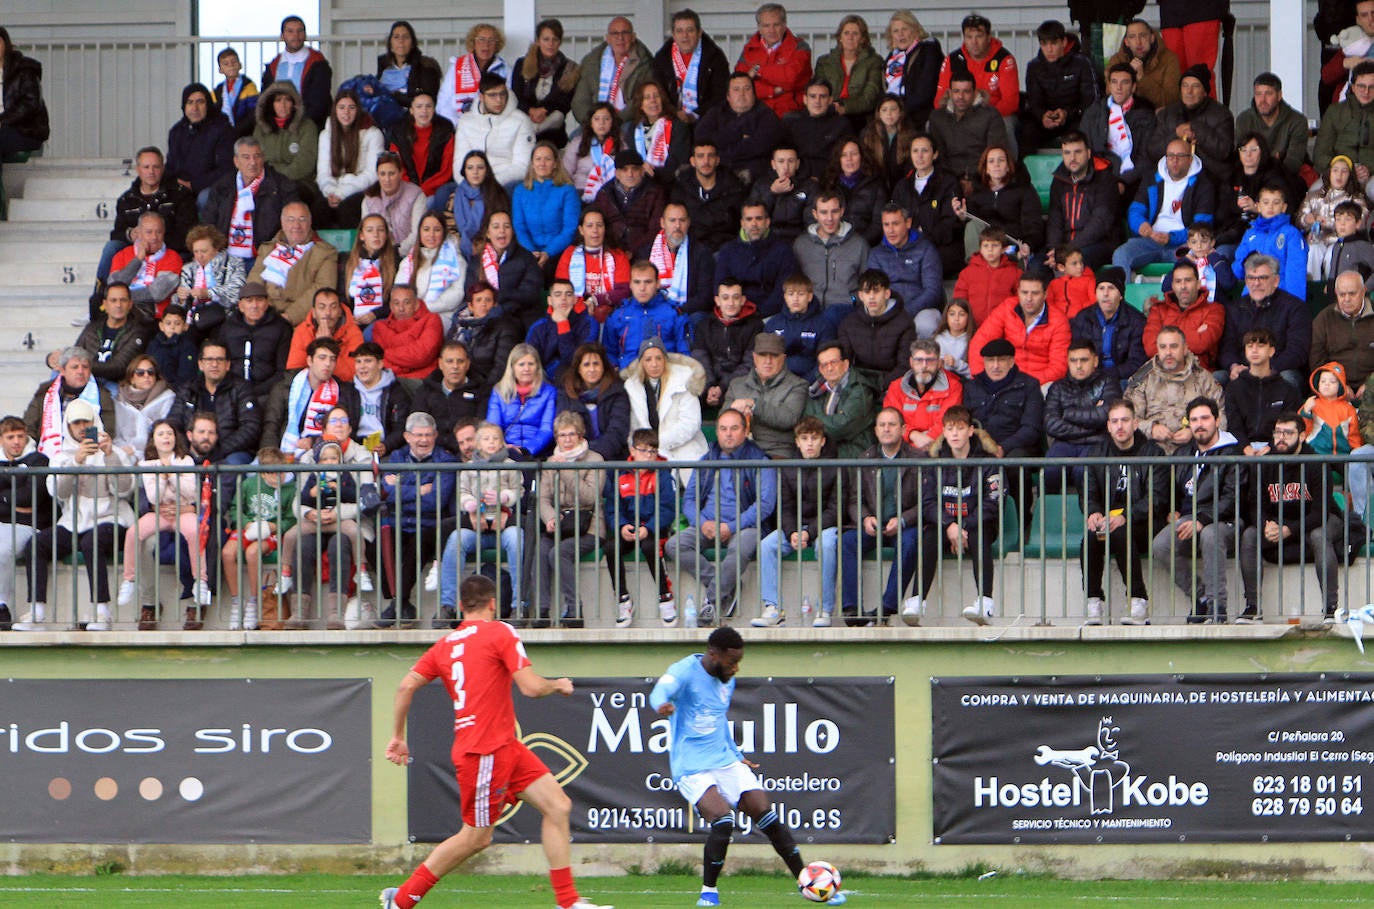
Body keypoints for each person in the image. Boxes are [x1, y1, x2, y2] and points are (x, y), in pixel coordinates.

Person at [379, 573, 611, 909]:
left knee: (558, 806)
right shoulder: (499, 630)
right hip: (484, 750)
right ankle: (401, 899)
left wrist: (398, 736)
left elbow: (405, 686)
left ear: (460, 606)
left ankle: (568, 901)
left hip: (503, 746)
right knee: (476, 837)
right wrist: (558, 684)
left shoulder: (445, 645)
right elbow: (530, 687)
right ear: (493, 603)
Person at [649, 626, 840, 908]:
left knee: (766, 814)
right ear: (713, 655)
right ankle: (708, 891)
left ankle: (806, 883)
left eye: (739, 661)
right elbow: (660, 690)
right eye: (731, 661)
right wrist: (661, 705)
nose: (736, 667)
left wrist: (736, 753)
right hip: (691, 766)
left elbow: (718, 718)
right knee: (723, 820)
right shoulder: (685, 671)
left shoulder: (726, 679)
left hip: (725, 760)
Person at [16, 400, 134, 632]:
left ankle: (102, 611)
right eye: (76, 422)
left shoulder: (114, 452)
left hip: (111, 520)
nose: (81, 427)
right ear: (68, 426)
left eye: (86, 422)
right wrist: (76, 461)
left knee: (92, 542)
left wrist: (110, 456)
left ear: (94, 422)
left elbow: (125, 490)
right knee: (36, 545)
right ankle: (37, 610)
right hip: (73, 523)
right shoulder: (61, 457)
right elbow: (58, 492)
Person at [666, 408, 775, 624]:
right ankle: (727, 585)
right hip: (707, 524)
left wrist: (732, 527)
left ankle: (712, 601)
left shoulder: (760, 460)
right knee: (674, 545)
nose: (729, 434)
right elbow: (689, 500)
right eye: (723, 429)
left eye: (734, 428)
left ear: (745, 431)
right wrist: (701, 522)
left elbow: (765, 504)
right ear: (716, 432)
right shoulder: (706, 461)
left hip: (745, 526)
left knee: (740, 549)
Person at [1240, 412, 1350, 624]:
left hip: (1319, 521)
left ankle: (1330, 608)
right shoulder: (1264, 463)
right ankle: (1253, 607)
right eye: (1277, 432)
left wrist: (1289, 529)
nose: (1281, 438)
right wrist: (1266, 525)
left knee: (1319, 535)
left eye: (1288, 433)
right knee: (1250, 535)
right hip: (1280, 523)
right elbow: (1255, 505)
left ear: (1301, 436)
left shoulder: (1316, 462)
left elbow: (1321, 512)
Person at [1151, 396, 1242, 623]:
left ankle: (1217, 606)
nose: (1200, 424)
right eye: (1194, 420)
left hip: (1229, 518)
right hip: (1192, 518)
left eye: (1205, 418)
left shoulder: (1233, 452)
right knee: (1161, 545)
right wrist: (1173, 510)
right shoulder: (1184, 453)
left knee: (1211, 535)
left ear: (1217, 420)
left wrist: (1202, 519)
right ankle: (1201, 598)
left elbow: (1233, 497)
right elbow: (1172, 488)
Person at [1079, 397, 1169, 626]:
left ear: (1135, 423)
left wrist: (1125, 516)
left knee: (1120, 531)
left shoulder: (1153, 453)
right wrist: (1093, 512)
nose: (1120, 426)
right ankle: (1093, 601)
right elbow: (1088, 492)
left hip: (1145, 523)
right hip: (1110, 522)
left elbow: (1156, 499)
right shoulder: (1097, 453)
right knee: (1091, 536)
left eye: (1125, 420)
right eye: (1114, 421)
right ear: (1108, 425)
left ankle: (1139, 600)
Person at [839, 406, 927, 626]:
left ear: (903, 429)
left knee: (910, 542)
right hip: (875, 525)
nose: (887, 429)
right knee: (848, 542)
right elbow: (854, 500)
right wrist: (865, 518)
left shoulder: (918, 458)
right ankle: (851, 609)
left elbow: (927, 501)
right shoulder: (865, 458)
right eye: (882, 425)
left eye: (892, 424)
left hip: (905, 525)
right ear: (876, 430)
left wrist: (904, 519)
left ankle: (887, 607)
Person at [920, 405, 1005, 626]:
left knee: (979, 536)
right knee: (929, 537)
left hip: (979, 524)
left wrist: (964, 526)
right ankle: (917, 600)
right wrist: (950, 525)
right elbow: (927, 502)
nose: (955, 434)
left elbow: (993, 502)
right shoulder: (934, 462)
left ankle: (985, 603)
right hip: (945, 524)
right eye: (950, 429)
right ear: (944, 432)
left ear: (970, 431)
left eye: (960, 428)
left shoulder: (987, 461)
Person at [437, 420, 527, 626]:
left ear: (502, 443)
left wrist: (504, 498)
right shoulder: (468, 468)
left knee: (516, 538)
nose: (491, 442)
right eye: (486, 439)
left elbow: (519, 491)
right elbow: (462, 492)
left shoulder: (511, 466)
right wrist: (469, 504)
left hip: (504, 523)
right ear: (478, 444)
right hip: (476, 525)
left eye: (495, 439)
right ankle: (448, 605)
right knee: (456, 539)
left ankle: (518, 605)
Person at [753, 416, 840, 627]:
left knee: (828, 544)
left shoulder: (836, 467)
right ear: (797, 442)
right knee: (766, 545)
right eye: (804, 438)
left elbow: (835, 509)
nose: (809, 443)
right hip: (795, 528)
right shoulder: (788, 467)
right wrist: (792, 531)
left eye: (814, 438)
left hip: (824, 527)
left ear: (823, 441)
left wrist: (809, 532)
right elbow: (785, 507)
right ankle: (772, 608)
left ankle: (825, 609)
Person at [117, 419, 209, 614]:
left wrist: (170, 474)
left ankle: (200, 581)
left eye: (169, 433)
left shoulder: (186, 461)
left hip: (182, 510)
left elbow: (190, 492)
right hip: (160, 512)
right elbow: (153, 496)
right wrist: (163, 474)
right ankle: (129, 579)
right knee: (134, 533)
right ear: (153, 440)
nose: (166, 437)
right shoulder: (146, 464)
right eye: (161, 434)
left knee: (194, 532)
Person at [378, 412, 457, 628]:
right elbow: (387, 495)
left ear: (435, 436)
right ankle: (403, 607)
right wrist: (419, 490)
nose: (423, 440)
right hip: (399, 522)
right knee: (378, 546)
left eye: (428, 435)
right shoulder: (396, 458)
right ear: (407, 436)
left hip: (431, 525)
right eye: (418, 435)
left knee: (417, 546)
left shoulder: (446, 461)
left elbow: (435, 502)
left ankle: (397, 605)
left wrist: (402, 489)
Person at [535, 412, 604, 627]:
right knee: (541, 548)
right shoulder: (550, 462)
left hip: (589, 527)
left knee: (559, 552)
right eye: (562, 435)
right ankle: (542, 610)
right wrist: (550, 517)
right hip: (562, 524)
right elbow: (543, 498)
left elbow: (589, 496)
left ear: (580, 435)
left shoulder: (595, 460)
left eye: (571, 434)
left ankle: (574, 610)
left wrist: (564, 469)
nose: (567, 440)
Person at [604, 427, 677, 627]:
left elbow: (667, 508)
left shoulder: (662, 473)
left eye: (653, 451)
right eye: (644, 450)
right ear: (633, 450)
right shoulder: (620, 474)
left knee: (649, 547)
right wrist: (621, 526)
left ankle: (665, 596)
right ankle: (623, 599)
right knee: (611, 547)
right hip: (630, 527)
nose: (648, 455)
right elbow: (612, 507)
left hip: (654, 528)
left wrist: (651, 527)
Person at [1112, 138, 1216, 278]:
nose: (1174, 160)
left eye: (1180, 156)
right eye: (1170, 156)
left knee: (1199, 262)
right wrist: (1141, 225)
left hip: (1185, 245)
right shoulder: (1152, 179)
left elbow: (1203, 226)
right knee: (1121, 254)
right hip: (1150, 240)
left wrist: (1171, 238)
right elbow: (1135, 209)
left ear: (1190, 159)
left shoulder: (1203, 185)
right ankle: (1121, 298)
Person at [98, 146, 197, 285]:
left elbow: (187, 232)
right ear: (138, 169)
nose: (151, 171)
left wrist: (154, 240)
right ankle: (102, 293)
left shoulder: (180, 194)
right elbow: (117, 233)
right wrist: (131, 234)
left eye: (156, 167)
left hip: (170, 249)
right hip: (136, 250)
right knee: (111, 247)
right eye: (146, 167)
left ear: (163, 168)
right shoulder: (126, 199)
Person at [221, 446, 295, 631]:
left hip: (271, 533)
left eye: (282, 472)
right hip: (250, 528)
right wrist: (245, 523)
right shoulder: (248, 485)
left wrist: (276, 526)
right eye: (272, 474)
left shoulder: (290, 488)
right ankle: (237, 602)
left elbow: (292, 517)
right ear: (262, 474)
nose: (278, 478)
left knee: (253, 553)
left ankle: (254, 603)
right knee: (228, 553)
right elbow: (236, 508)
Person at [1124, 324, 1227, 454]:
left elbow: (1220, 419)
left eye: (1174, 346)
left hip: (1195, 454)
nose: (1168, 353)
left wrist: (1194, 431)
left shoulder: (1204, 379)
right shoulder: (1143, 378)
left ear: (1185, 349)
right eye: (1163, 347)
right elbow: (1125, 419)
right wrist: (1151, 429)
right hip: (1150, 455)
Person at [621, 337, 709, 482]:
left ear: (665, 360)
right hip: (648, 451)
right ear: (641, 362)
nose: (654, 364)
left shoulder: (684, 380)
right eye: (648, 359)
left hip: (686, 446)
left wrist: (659, 442)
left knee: (695, 484)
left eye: (658, 358)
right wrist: (648, 448)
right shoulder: (632, 387)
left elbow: (690, 423)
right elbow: (633, 428)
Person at [1220, 254, 1312, 387]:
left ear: (1276, 280)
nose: (1256, 283)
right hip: (1243, 370)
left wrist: (1263, 369)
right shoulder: (1235, 308)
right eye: (1251, 278)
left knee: (1288, 378)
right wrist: (1234, 366)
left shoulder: (1295, 307)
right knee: (1217, 378)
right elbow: (1227, 347)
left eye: (1262, 278)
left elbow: (1297, 352)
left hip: (1278, 370)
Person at [969, 271, 1072, 386]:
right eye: (1024, 292)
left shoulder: (1059, 320)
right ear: (1018, 292)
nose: (1029, 298)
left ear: (1045, 294)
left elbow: (1058, 368)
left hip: (1040, 383)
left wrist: (1024, 384)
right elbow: (979, 343)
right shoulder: (1007, 308)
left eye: (1035, 293)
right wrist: (982, 377)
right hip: (1004, 377)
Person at [168, 339, 262, 464]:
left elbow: (251, 427)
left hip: (231, 452)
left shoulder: (241, 388)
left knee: (233, 465)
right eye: (209, 360)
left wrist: (220, 450)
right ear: (201, 364)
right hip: (193, 450)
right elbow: (174, 422)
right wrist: (191, 448)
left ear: (227, 365)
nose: (214, 364)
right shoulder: (188, 389)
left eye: (220, 360)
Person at [1044, 339, 1120, 491]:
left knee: (1084, 472)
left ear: (1095, 360)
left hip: (1097, 443)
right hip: (1065, 443)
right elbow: (1051, 424)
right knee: (1050, 470)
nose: (1078, 365)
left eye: (1084, 360)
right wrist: (1093, 422)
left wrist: (1068, 414)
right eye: (1073, 360)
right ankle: (1049, 513)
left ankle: (1090, 513)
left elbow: (1106, 416)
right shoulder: (1057, 388)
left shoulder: (1108, 383)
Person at [246, 200, 338, 326]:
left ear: (310, 222)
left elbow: (322, 289)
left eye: (302, 219)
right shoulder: (268, 249)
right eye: (290, 219)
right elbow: (254, 283)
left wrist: (288, 317)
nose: (296, 225)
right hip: (264, 316)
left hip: (301, 321)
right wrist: (259, 311)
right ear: (282, 223)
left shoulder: (325, 253)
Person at [0, 416, 52, 631]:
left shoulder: (38, 460)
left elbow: (29, 497)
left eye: (20, 436)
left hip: (28, 526)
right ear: (1, 439)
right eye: (10, 437)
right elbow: (19, 499)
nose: (16, 442)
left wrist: (3, 497)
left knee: (3, 549)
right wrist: (12, 501)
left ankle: (2, 607)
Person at [723, 332, 808, 458]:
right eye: (763, 355)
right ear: (754, 357)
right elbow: (722, 419)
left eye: (774, 356)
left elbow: (789, 419)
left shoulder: (797, 385)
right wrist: (734, 412)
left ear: (783, 358)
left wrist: (754, 404)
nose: (768, 361)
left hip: (776, 454)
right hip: (739, 453)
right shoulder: (736, 384)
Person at [1081, 63, 1157, 202]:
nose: (1119, 87)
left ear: (1133, 87)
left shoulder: (1146, 116)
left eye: (1125, 82)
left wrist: (1124, 181)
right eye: (1114, 82)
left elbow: (1146, 157)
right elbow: (1084, 149)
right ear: (1108, 85)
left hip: (1133, 181)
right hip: (1100, 177)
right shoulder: (1094, 112)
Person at [1022, 20, 1100, 151]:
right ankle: (1024, 170)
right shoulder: (1034, 67)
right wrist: (1043, 116)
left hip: (1074, 119)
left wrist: (1067, 113)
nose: (1049, 49)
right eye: (1044, 44)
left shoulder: (1081, 64)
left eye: (1054, 43)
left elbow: (1090, 100)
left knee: (1086, 126)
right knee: (1027, 131)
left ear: (1063, 42)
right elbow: (1033, 100)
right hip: (1044, 121)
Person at [57, 282, 154, 388]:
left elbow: (119, 367)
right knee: (57, 375)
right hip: (88, 377)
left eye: (123, 300)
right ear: (105, 304)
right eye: (113, 300)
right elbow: (76, 352)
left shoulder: (137, 331)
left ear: (130, 304)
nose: (118, 305)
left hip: (115, 383)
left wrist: (82, 366)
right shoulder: (93, 327)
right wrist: (53, 359)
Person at [25, 347, 115, 459]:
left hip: (91, 456)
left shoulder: (102, 395)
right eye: (75, 367)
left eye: (85, 367)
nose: (81, 371)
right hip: (49, 457)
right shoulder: (45, 392)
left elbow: (109, 429)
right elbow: (29, 427)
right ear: (62, 370)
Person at [1149, 66, 1233, 186]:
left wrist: (1197, 130)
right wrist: (1176, 135)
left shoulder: (1221, 114)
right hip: (1172, 180)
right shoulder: (1167, 114)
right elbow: (1152, 150)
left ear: (1205, 92)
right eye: (1185, 86)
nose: (1189, 91)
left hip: (1212, 180)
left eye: (1195, 86)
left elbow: (1224, 151)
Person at [1046, 131, 1119, 269]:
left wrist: (1067, 250)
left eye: (1077, 152)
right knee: (1037, 265)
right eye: (1067, 153)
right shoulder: (1058, 180)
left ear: (1089, 153)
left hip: (1098, 244)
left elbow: (1100, 222)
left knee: (1077, 262)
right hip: (1065, 247)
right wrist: (1054, 249)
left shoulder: (1105, 179)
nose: (1072, 158)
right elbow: (1054, 220)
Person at [1224, 328, 1304, 454]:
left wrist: (1270, 448)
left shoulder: (1287, 389)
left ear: (1271, 351)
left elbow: (1290, 425)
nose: (1254, 350)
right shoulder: (1234, 388)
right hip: (1240, 451)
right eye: (1250, 346)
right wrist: (1245, 447)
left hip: (1277, 451)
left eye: (1260, 346)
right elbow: (1234, 425)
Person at [695, 73, 784, 185]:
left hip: (753, 172)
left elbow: (759, 146)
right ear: (728, 96)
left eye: (747, 89)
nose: (742, 94)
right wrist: (736, 135)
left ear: (754, 93)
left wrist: (721, 150)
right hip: (718, 167)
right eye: (736, 89)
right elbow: (701, 138)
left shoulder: (767, 115)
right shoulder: (716, 112)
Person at [890, 134, 962, 274]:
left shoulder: (948, 183)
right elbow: (894, 219)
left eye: (925, 151)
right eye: (915, 151)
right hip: (906, 248)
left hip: (939, 249)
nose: (920, 156)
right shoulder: (902, 186)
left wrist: (922, 237)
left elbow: (949, 224)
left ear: (935, 154)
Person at [603, 260, 692, 370]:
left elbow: (685, 353)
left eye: (648, 282)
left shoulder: (674, 313)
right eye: (637, 282)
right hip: (627, 377)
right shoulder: (617, 315)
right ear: (630, 284)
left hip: (666, 376)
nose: (642, 288)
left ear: (658, 283)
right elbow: (609, 354)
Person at [957, 146, 1044, 258]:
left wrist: (1028, 245)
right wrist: (963, 217)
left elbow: (1033, 226)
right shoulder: (977, 192)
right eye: (991, 161)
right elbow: (975, 228)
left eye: (1001, 160)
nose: (996, 164)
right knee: (971, 226)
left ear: (1008, 166)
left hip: (1012, 248)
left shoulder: (1025, 190)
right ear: (986, 168)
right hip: (986, 249)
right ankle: (976, 266)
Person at [453, 74, 536, 189]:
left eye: (502, 94)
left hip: (505, 183)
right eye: (492, 95)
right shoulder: (466, 121)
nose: (499, 100)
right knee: (443, 193)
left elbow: (522, 166)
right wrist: (467, 186)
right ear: (481, 97)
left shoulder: (521, 120)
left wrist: (490, 185)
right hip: (472, 182)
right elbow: (459, 162)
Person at [793, 190, 871, 311]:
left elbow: (868, 283)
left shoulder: (859, 244)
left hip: (846, 311)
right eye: (824, 212)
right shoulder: (801, 244)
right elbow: (794, 283)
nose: (829, 218)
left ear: (842, 211)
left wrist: (853, 301)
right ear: (815, 214)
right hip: (810, 312)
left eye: (834, 212)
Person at [1143, 259, 1227, 371]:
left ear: (1198, 284)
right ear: (1172, 285)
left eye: (1188, 280)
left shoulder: (1214, 309)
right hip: (1162, 375)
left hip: (1199, 375)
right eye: (1178, 281)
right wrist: (1195, 333)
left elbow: (1203, 344)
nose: (1183, 286)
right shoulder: (1159, 310)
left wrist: (1165, 344)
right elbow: (1150, 347)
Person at [693, 279, 766, 407]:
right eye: (725, 298)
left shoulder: (755, 325)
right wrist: (710, 385)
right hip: (709, 382)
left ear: (743, 300)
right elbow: (700, 360)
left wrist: (722, 387)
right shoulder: (704, 326)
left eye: (735, 298)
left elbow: (749, 363)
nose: (731, 303)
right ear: (717, 300)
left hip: (739, 382)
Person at [837, 269, 916, 386]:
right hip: (859, 383)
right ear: (860, 296)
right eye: (867, 292)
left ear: (887, 294)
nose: (872, 297)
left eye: (876, 291)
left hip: (892, 384)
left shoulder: (905, 323)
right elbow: (843, 361)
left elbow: (905, 366)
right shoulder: (848, 323)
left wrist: (880, 385)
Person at [316, 89, 382, 229]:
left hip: (362, 189)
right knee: (319, 208)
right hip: (333, 189)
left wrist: (342, 193)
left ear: (358, 110)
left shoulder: (373, 133)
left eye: (351, 108)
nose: (346, 113)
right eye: (342, 107)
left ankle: (353, 249)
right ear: (335, 110)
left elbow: (372, 174)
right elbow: (323, 172)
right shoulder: (326, 135)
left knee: (347, 209)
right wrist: (330, 192)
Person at [553, 342, 630, 461]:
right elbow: (563, 428)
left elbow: (617, 431)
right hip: (575, 457)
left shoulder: (617, 391)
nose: (592, 369)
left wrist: (594, 458)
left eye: (596, 364)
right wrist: (582, 456)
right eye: (586, 365)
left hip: (611, 458)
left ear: (603, 366)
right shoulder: (566, 393)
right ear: (579, 368)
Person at [1070, 267, 1149, 384]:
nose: (1105, 294)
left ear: (1121, 295)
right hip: (1088, 376)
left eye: (1111, 288)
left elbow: (1136, 363)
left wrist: (1104, 375)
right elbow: (1075, 353)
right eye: (1101, 288)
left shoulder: (1136, 321)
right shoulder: (1083, 318)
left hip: (1122, 379)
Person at [935, 13, 1020, 122]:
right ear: (964, 38)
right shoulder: (952, 60)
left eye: (979, 36)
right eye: (969, 37)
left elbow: (1010, 103)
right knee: (932, 123)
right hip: (958, 115)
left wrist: (983, 118)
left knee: (1006, 123)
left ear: (989, 37)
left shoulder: (1004, 59)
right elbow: (940, 99)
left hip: (993, 115)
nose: (974, 42)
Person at [571, 16, 655, 125]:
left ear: (633, 37)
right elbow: (580, 100)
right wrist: (593, 122)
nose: (620, 38)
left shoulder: (644, 63)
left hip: (628, 121)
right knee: (576, 138)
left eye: (625, 33)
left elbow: (639, 101)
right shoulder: (592, 62)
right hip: (594, 122)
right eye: (615, 33)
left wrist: (612, 121)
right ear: (607, 38)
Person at [218, 280, 292, 402]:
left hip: (267, 393)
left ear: (267, 303)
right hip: (232, 390)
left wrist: (255, 391)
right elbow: (221, 363)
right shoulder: (228, 327)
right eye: (249, 301)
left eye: (259, 300)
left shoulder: (281, 327)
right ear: (241, 306)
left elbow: (282, 371)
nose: (254, 305)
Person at [884, 337, 962, 452]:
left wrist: (928, 440)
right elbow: (891, 422)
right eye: (919, 360)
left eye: (930, 360)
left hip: (940, 449)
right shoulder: (896, 387)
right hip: (902, 450)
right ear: (911, 362)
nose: (924, 365)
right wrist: (913, 435)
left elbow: (948, 422)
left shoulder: (953, 387)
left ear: (939, 363)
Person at [470, 210, 544, 329]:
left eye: (507, 226)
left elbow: (530, 293)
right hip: (484, 314)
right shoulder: (477, 260)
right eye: (496, 226)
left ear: (512, 231)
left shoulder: (525, 257)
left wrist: (502, 307)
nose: (502, 231)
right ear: (488, 233)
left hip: (520, 318)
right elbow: (469, 289)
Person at [512, 141, 580, 272]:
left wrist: (548, 252)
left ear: (555, 163)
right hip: (529, 251)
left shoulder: (567, 190)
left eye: (547, 159)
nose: (542, 164)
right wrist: (531, 251)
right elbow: (519, 227)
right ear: (532, 163)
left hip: (559, 251)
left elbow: (570, 228)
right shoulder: (520, 191)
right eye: (538, 159)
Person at [653, 9, 731, 122]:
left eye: (690, 30)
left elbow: (720, 96)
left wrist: (695, 115)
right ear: (673, 34)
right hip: (671, 117)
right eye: (679, 31)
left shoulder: (715, 57)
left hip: (706, 119)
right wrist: (674, 113)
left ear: (699, 33)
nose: (685, 36)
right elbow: (658, 92)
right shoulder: (662, 57)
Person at [736, 3, 813, 117]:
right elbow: (740, 86)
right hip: (756, 113)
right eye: (766, 25)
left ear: (784, 25)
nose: (771, 30)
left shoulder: (800, 47)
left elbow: (790, 78)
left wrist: (758, 70)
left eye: (776, 25)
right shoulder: (749, 49)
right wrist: (773, 91)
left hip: (791, 113)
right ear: (759, 28)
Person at [448, 280, 522, 399]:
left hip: (485, 387)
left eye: (488, 300)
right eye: (478, 300)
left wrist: (482, 390)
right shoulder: (458, 326)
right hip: (457, 382)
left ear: (495, 305)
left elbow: (501, 367)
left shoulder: (506, 327)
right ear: (470, 306)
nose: (483, 304)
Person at [166, 82, 236, 208]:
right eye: (190, 102)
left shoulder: (222, 129)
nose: (195, 108)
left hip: (209, 187)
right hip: (180, 186)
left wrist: (193, 185)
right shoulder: (176, 132)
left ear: (208, 104)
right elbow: (170, 166)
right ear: (184, 106)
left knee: (205, 198)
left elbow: (226, 169)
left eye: (200, 102)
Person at [1232, 190, 1308, 303]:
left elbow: (1296, 273)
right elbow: (1237, 272)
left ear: (1284, 207)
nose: (1270, 207)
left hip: (1279, 298)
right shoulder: (1250, 235)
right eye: (1266, 202)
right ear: (1258, 206)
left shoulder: (1291, 234)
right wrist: (1245, 262)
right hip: (1252, 299)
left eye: (1276, 202)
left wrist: (1294, 306)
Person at [253, 81, 319, 210]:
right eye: (278, 100)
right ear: (271, 104)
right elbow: (256, 160)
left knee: (281, 196)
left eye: (287, 100)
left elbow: (305, 163)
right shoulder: (260, 129)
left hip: (300, 182)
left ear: (294, 104)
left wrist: (277, 180)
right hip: (265, 181)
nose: (283, 105)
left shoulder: (307, 126)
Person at [554, 208, 630, 322]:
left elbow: (623, 291)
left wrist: (595, 300)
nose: (595, 230)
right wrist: (582, 306)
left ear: (605, 228)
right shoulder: (570, 254)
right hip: (574, 308)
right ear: (581, 230)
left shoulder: (618, 255)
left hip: (610, 311)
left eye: (599, 225)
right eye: (589, 225)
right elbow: (560, 289)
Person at [511, 19, 578, 145]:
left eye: (555, 39)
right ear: (538, 41)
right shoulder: (522, 64)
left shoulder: (570, 68)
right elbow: (516, 95)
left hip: (552, 128)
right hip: (525, 121)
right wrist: (530, 111)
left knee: (557, 116)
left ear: (560, 42)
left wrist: (545, 110)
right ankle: (531, 132)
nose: (550, 44)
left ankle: (533, 132)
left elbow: (565, 102)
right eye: (546, 39)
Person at [106, 213, 184, 320]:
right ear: (138, 233)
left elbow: (157, 294)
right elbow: (113, 286)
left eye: (159, 232)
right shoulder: (122, 255)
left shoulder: (173, 257)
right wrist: (138, 259)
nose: (154, 237)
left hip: (155, 318)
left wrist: (121, 298)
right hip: (121, 315)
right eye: (149, 232)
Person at [1302, 158, 1369, 281]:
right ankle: (1312, 289)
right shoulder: (1314, 196)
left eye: (1344, 171)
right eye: (1335, 170)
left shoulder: (1357, 199)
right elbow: (1300, 218)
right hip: (1319, 239)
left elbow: (1361, 222)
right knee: (1312, 251)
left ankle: (1334, 291)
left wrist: (1326, 223)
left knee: (1333, 255)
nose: (1339, 175)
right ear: (1329, 173)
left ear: (1350, 176)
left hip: (1342, 242)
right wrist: (1307, 219)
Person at [672, 140, 746, 252]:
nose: (706, 162)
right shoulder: (681, 188)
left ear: (717, 160)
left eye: (710, 156)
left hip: (726, 248)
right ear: (693, 161)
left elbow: (739, 222)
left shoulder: (733, 187)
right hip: (690, 248)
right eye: (700, 156)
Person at [398, 211, 468, 328]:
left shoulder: (456, 260)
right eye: (426, 229)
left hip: (442, 316)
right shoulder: (408, 261)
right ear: (419, 232)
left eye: (437, 230)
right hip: (410, 313)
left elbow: (457, 293)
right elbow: (399, 291)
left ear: (444, 232)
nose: (431, 235)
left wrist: (424, 307)